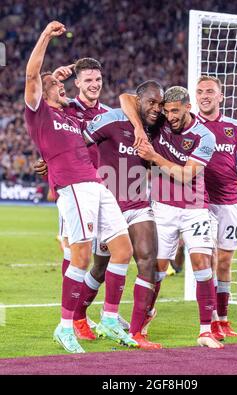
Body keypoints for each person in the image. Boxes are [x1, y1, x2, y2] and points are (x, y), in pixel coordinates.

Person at [24, 21, 136, 353]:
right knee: (81, 258)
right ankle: (65, 325)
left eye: (60, 82)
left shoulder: (74, 115)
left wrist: (71, 73)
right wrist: (45, 36)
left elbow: (104, 100)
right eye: (53, 83)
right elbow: (33, 76)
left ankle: (111, 318)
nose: (59, 84)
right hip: (72, 187)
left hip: (97, 186)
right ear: (43, 91)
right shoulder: (39, 112)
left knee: (122, 250)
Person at [121, 86, 224, 348]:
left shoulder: (204, 136)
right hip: (162, 207)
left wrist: (154, 157)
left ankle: (205, 331)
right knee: (156, 269)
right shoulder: (161, 123)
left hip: (195, 207)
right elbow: (125, 98)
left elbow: (187, 175)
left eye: (175, 111)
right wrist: (136, 126)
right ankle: (141, 324)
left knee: (202, 263)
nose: (170, 116)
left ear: (188, 107)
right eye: (166, 111)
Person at [83, 80, 165, 349]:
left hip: (139, 205)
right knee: (100, 267)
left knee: (148, 261)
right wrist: (52, 160)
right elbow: (80, 141)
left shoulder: (158, 127)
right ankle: (77, 318)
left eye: (160, 104)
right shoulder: (112, 120)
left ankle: (137, 332)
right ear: (140, 100)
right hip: (110, 207)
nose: (156, 109)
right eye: (151, 103)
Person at [195, 75, 237, 339]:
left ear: (220, 96)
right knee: (207, 260)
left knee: (224, 261)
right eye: (200, 92)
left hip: (229, 201)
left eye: (210, 91)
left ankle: (223, 319)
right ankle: (208, 321)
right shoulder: (190, 125)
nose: (205, 95)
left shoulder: (234, 127)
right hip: (200, 203)